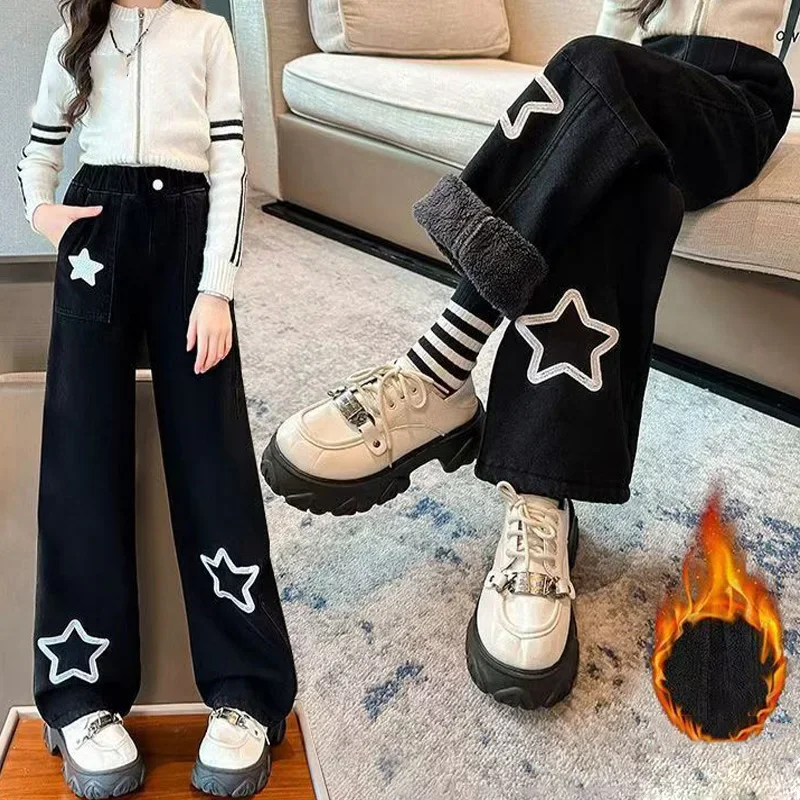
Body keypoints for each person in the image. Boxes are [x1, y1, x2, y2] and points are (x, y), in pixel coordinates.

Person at [261, 0, 795, 711]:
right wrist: (593, 129)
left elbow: (604, 57)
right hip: (644, 76)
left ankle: (437, 369)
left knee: (590, 66)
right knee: (618, 184)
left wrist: (599, 95)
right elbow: (621, 20)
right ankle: (544, 495)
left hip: (735, 100)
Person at [17, 1, 296, 796]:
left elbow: (232, 166)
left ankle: (246, 692)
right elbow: (38, 148)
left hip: (187, 239)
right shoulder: (74, 35)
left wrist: (217, 289)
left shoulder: (207, 34)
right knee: (80, 462)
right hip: (94, 247)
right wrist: (46, 217)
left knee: (215, 462)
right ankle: (81, 695)